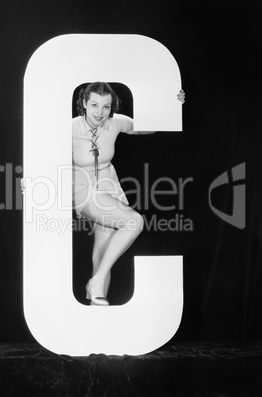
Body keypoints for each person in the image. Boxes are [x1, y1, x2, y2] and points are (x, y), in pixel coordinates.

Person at [72, 82, 185, 306]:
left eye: (106, 106)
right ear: (84, 103)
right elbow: (41, 150)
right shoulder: (70, 128)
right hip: (84, 190)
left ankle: (97, 304)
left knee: (102, 253)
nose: (100, 112)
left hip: (109, 188)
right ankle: (97, 281)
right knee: (134, 222)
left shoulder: (115, 122)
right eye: (94, 105)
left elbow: (146, 127)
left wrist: (173, 106)